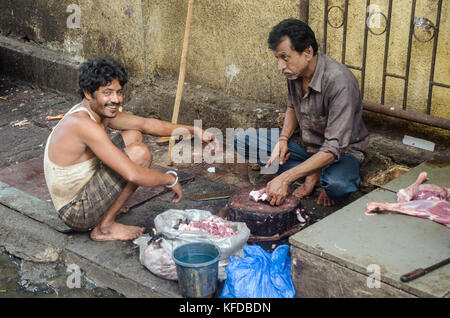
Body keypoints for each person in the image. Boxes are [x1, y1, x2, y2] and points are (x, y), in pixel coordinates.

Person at [44, 58, 217, 241]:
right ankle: (105, 226)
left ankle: (107, 209)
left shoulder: (97, 111)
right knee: (139, 154)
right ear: (88, 93)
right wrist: (170, 179)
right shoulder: (82, 123)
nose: (116, 100)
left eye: (119, 92)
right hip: (76, 212)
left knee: (134, 135)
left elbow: (146, 124)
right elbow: (133, 174)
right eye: (107, 93)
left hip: (86, 189)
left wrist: (194, 130)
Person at [234, 19, 369, 207]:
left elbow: (333, 148)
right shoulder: (294, 73)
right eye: (277, 59)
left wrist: (286, 179)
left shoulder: (340, 82)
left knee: (337, 187)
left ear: (307, 52)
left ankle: (318, 174)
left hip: (340, 153)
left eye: (285, 57)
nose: (280, 66)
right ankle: (315, 172)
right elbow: (292, 106)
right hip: (306, 147)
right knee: (243, 140)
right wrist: (282, 140)